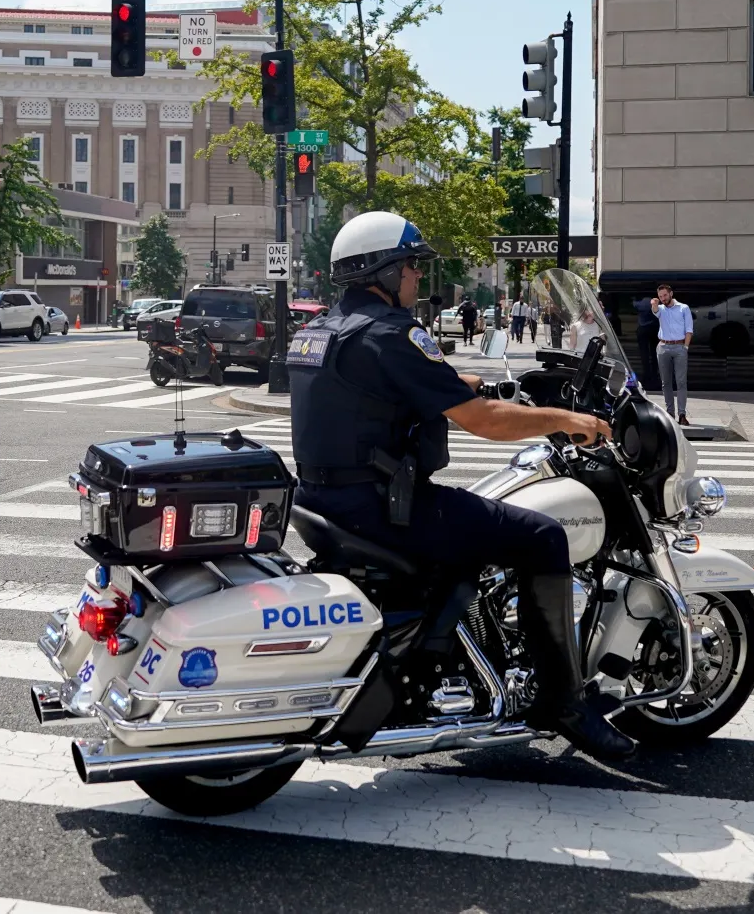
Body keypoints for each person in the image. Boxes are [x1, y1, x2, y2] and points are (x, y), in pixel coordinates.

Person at [288, 211, 635, 763]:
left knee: (476, 534)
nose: (417, 278)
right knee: (543, 537)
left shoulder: (322, 331)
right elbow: (487, 422)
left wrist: (460, 381)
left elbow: (373, 394)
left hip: (322, 501)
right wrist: (565, 420)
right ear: (384, 269)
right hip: (384, 509)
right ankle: (561, 702)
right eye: (412, 267)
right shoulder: (392, 332)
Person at [649, 282, 693, 425]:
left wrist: (685, 347)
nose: (663, 298)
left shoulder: (683, 308)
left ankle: (682, 414)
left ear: (671, 294)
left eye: (665, 295)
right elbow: (655, 311)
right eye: (660, 296)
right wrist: (654, 304)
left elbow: (689, 330)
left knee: (681, 382)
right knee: (666, 382)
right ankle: (670, 413)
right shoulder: (660, 308)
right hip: (663, 346)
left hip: (680, 347)